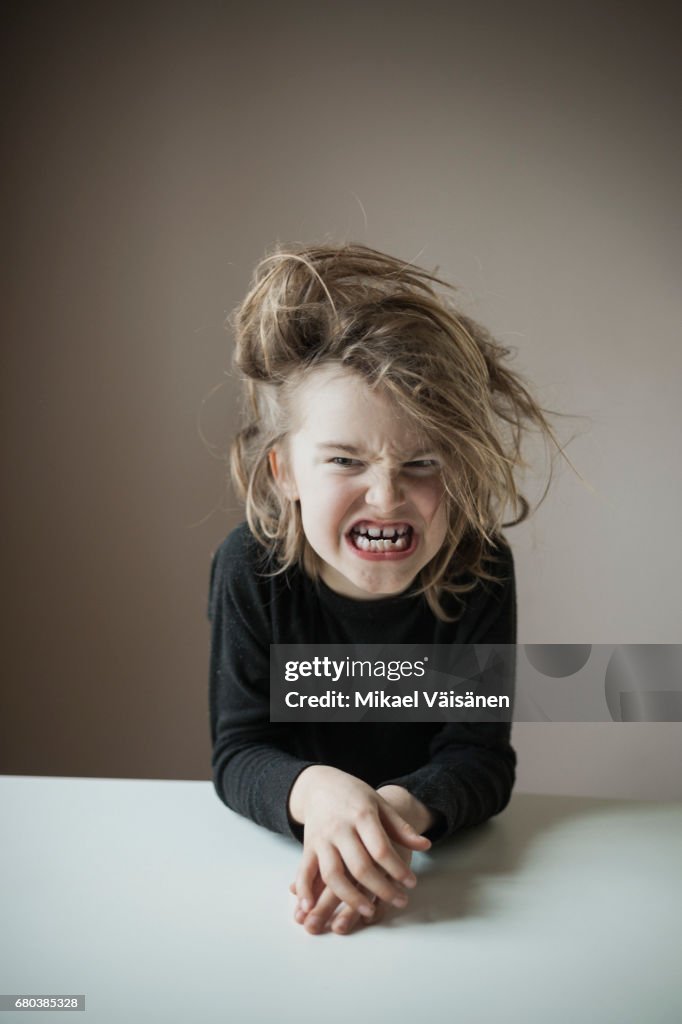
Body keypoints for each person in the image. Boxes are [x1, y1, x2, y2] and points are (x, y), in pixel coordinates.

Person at [208, 241, 564, 936]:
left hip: (428, 871)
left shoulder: (479, 567)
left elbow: (479, 758)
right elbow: (239, 752)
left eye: (422, 462)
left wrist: (392, 816)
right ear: (284, 472)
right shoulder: (248, 569)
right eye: (346, 460)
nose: (386, 494)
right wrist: (324, 796)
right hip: (275, 884)